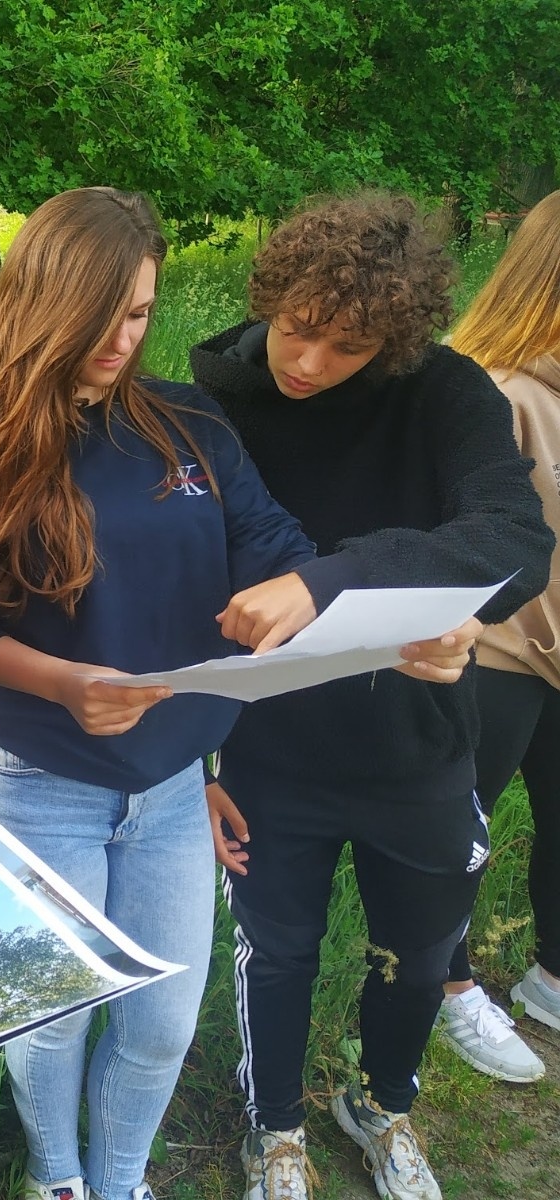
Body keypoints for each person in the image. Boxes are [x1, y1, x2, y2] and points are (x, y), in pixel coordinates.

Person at [0, 186, 344, 1200]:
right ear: (44, 300)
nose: (122, 339)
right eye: (102, 314)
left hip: (170, 788)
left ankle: (119, 1177)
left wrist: (295, 595)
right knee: (53, 1016)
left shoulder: (187, 420)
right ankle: (56, 1177)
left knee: (164, 1016)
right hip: (39, 780)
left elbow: (269, 542)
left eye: (140, 312)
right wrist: (60, 681)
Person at [189, 192, 555, 1200]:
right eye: (296, 330)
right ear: (268, 297)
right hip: (268, 747)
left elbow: (514, 539)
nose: (307, 363)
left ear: (393, 342)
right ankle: (275, 1129)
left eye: (346, 346)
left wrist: (345, 585)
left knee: (417, 948)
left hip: (417, 741)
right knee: (277, 954)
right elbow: (175, 572)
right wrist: (192, 752)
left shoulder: (446, 392)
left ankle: (381, 1103)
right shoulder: (209, 397)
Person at [434, 189, 560, 1082]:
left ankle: (552, 973)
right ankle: (445, 988)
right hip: (498, 657)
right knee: (458, 834)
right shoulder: (495, 390)